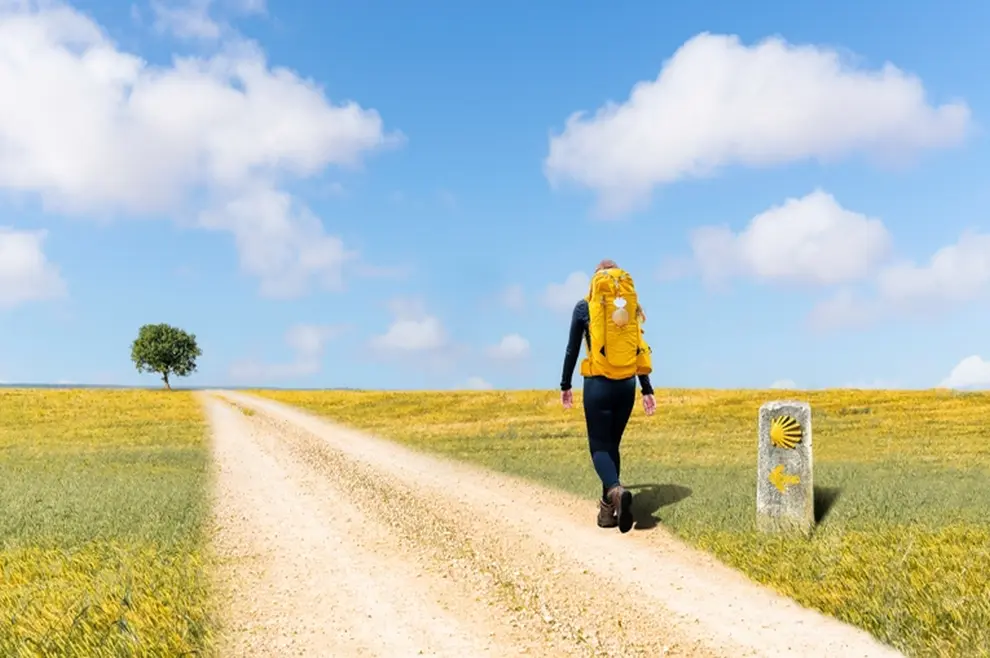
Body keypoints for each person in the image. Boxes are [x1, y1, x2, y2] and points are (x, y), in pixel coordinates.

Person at [559, 259, 656, 533]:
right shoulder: (631, 306)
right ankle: (607, 511)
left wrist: (565, 384)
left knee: (600, 448)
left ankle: (615, 491)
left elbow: (572, 350)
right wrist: (646, 387)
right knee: (612, 445)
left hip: (598, 384)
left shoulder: (584, 306)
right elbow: (638, 347)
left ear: (595, 281)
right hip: (626, 385)